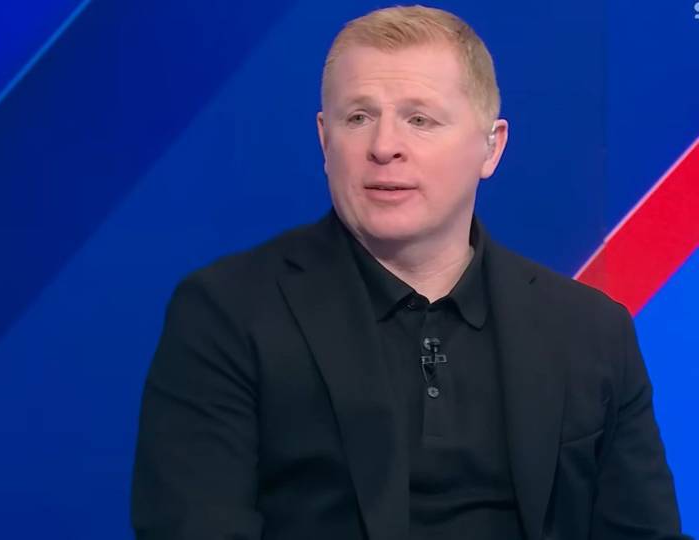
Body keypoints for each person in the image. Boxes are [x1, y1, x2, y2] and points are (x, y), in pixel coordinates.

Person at [131, 5, 689, 540]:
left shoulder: (591, 331)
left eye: (419, 119)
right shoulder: (226, 314)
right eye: (358, 117)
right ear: (325, 139)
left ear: (490, 148)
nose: (384, 147)